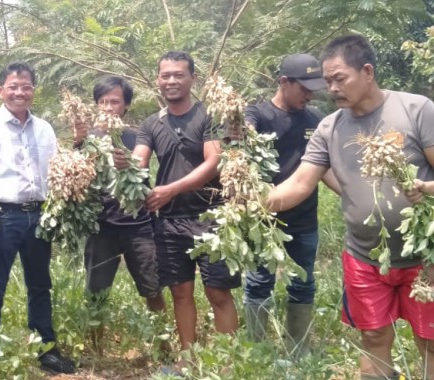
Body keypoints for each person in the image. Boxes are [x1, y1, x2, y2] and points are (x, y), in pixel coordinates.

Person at [266, 34, 434, 380]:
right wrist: (256, 202)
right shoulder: (330, 128)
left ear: (367, 71)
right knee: (373, 335)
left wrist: (428, 189)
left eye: (338, 78)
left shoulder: (416, 110)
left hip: (425, 257)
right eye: (327, 81)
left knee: (430, 341)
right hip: (365, 257)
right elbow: (300, 184)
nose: (330, 88)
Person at [116, 51, 240, 372]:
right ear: (158, 80)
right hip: (169, 222)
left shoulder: (209, 116)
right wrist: (123, 164)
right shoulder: (151, 124)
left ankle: (227, 364)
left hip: (212, 217)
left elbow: (214, 162)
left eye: (178, 75)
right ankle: (189, 361)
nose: (171, 81)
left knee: (218, 293)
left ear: (192, 79)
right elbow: (139, 161)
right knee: (180, 293)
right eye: (165, 75)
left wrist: (170, 189)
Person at [0, 61, 76, 374]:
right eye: (13, 87)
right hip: (2, 215)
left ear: (32, 91)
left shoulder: (45, 129)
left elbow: (56, 168)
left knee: (40, 285)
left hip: (39, 214)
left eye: (25, 87)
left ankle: (46, 351)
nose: (19, 92)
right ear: (1, 91)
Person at [72, 76, 166, 354]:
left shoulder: (138, 137)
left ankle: (163, 344)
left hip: (138, 225)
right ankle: (95, 350)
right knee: (96, 291)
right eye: (103, 102)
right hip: (101, 227)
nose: (109, 107)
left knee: (152, 287)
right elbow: (77, 177)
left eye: (115, 101)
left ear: (125, 105)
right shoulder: (87, 139)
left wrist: (128, 164)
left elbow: (143, 171)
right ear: (96, 105)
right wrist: (78, 145)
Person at [242, 53, 328, 354]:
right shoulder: (259, 114)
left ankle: (299, 349)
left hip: (304, 219)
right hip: (264, 221)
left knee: (303, 283)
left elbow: (324, 168)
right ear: (283, 82)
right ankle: (258, 349)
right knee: (258, 282)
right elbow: (243, 131)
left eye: (313, 88)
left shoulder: (315, 119)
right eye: (304, 87)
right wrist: (244, 134)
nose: (310, 94)